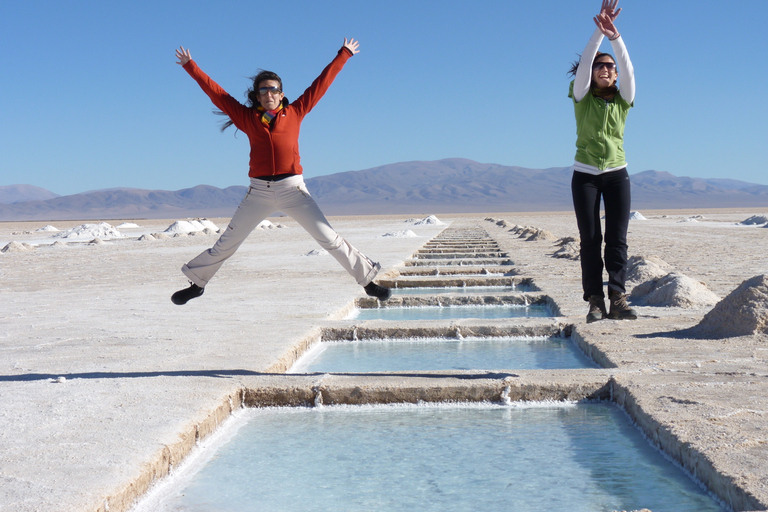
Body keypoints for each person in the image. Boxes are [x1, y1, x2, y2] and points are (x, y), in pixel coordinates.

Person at [171, 38, 391, 305]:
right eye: (263, 91)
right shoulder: (247, 118)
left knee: (328, 237)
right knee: (228, 242)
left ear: (282, 94)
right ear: (257, 96)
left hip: (292, 190)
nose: (269, 95)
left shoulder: (296, 111)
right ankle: (197, 284)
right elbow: (217, 93)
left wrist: (343, 54)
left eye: (273, 90)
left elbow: (321, 85)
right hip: (259, 193)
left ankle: (368, 281)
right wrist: (190, 66)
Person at [568, 0, 637, 323]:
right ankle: (595, 301)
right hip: (585, 176)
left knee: (617, 239)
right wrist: (598, 33)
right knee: (591, 239)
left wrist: (616, 37)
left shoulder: (624, 100)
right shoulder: (581, 97)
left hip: (617, 175)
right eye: (600, 66)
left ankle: (618, 298)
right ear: (592, 73)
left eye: (610, 67)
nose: (607, 69)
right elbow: (584, 65)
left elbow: (628, 66)